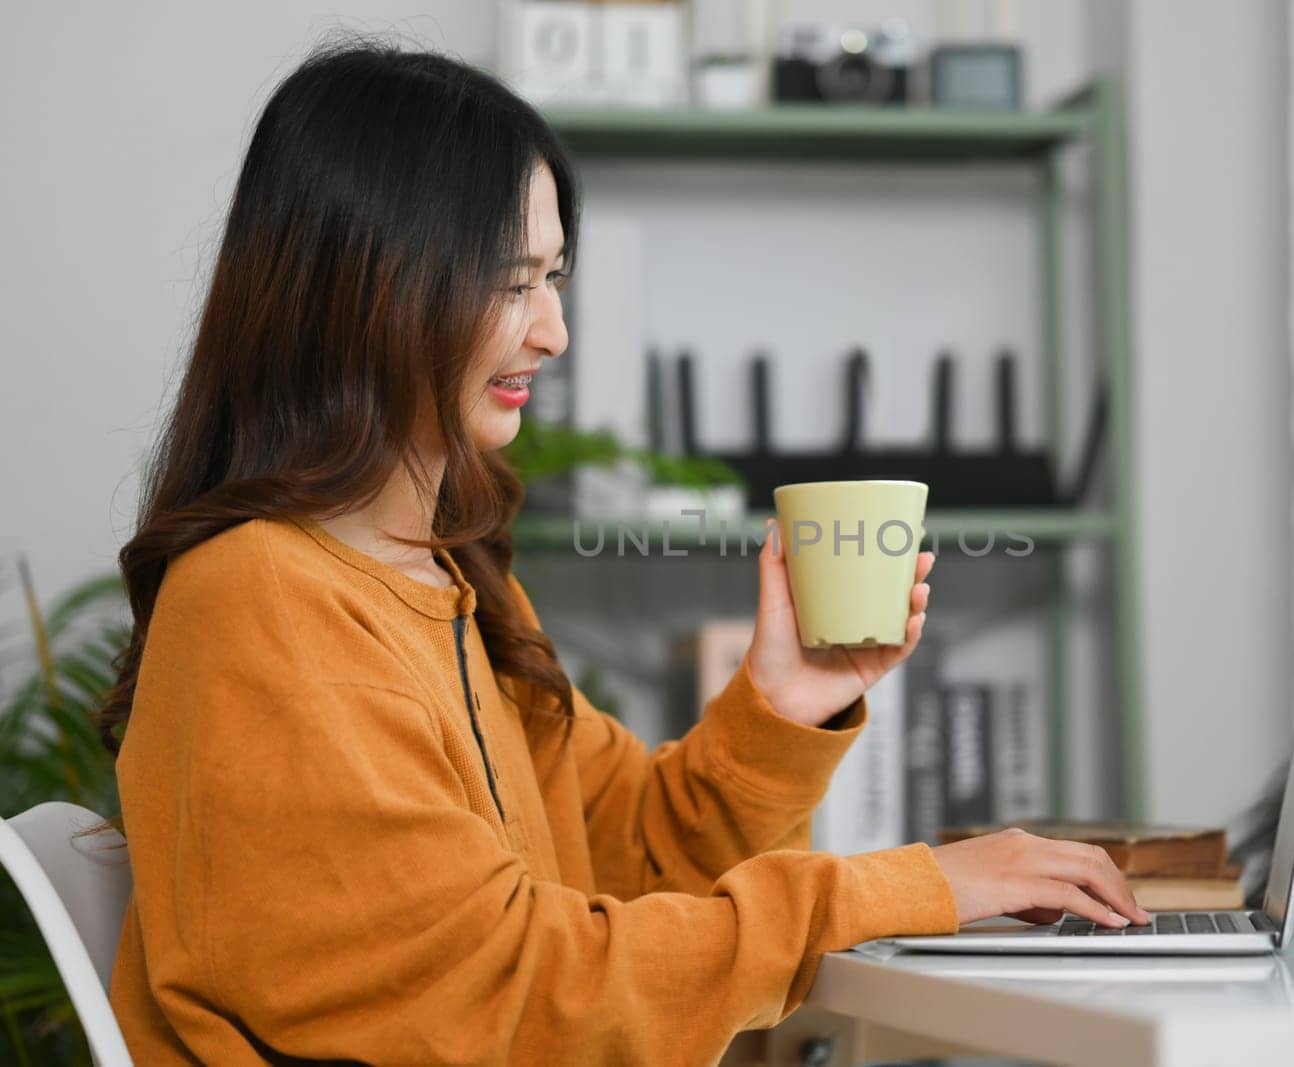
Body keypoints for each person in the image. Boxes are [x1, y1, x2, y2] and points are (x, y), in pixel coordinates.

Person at [101, 37, 1150, 1066]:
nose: (554, 331)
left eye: (553, 277)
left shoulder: (456, 582)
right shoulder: (257, 601)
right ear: (369, 287)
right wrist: (909, 885)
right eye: (512, 283)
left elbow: (636, 859)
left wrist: (784, 701)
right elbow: (504, 991)